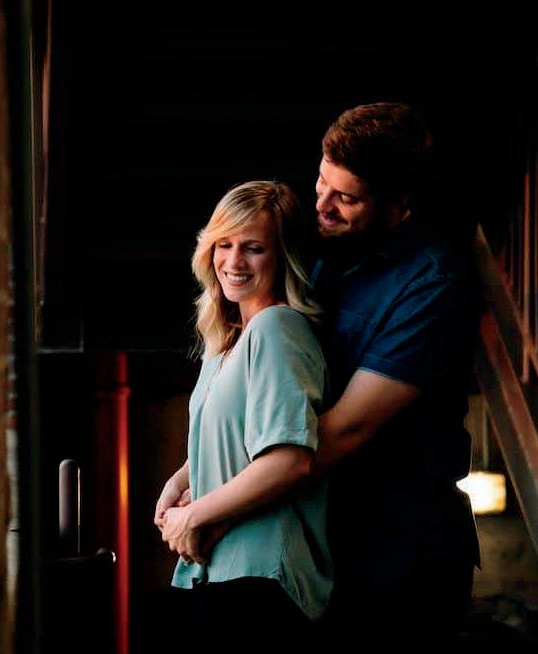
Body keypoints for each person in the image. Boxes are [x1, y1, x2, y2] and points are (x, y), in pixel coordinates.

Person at [308, 102, 481, 650]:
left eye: (347, 197)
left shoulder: (433, 282)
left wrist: (222, 498)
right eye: (322, 182)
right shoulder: (330, 254)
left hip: (401, 562)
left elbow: (347, 429)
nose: (323, 204)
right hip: (327, 539)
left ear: (399, 203)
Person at [153, 180, 330, 652]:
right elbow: (233, 439)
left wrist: (193, 516)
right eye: (224, 244)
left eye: (253, 248)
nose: (233, 261)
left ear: (282, 257)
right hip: (216, 576)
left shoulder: (277, 328)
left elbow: (288, 460)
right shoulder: (226, 343)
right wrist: (178, 483)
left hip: (260, 577)